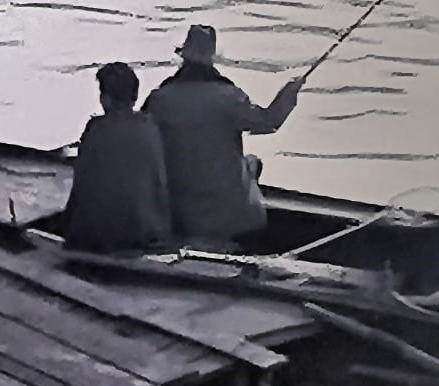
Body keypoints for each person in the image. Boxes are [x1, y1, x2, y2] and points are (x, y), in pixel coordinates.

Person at [142, 24, 304, 250]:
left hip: (176, 209)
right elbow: (269, 121)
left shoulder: (159, 99)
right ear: (211, 59)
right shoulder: (229, 98)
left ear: (183, 57)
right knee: (252, 163)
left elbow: (140, 141)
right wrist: (289, 92)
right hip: (226, 214)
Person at [60, 62, 173, 255]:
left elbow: (82, 185)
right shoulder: (150, 128)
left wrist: (67, 227)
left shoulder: (96, 129)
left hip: (99, 237)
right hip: (145, 234)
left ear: (105, 98)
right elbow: (159, 185)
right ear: (135, 97)